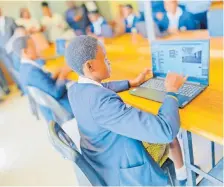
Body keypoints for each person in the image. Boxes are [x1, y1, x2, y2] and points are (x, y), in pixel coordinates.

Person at [65, 35, 188, 185]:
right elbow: (166, 130)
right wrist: (171, 90)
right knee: (168, 132)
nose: (108, 61)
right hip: (124, 172)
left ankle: (181, 174)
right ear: (90, 66)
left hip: (101, 158)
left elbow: (102, 88)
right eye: (104, 58)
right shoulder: (103, 104)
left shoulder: (76, 90)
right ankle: (183, 178)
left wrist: (132, 83)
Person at [13, 36, 73, 122]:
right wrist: (63, 74)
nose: (37, 48)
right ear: (25, 51)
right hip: (61, 108)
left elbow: (43, 84)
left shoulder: (24, 68)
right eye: (33, 46)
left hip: (52, 106)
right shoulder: (32, 71)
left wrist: (56, 74)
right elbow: (56, 93)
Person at [0, 7, 17, 94]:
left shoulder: (10, 20)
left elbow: (17, 32)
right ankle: (20, 87)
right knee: (11, 70)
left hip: (14, 50)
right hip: (3, 53)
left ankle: (26, 86)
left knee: (18, 68)